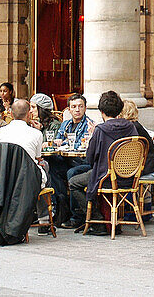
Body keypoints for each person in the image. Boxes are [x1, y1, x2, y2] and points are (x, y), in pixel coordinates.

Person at [65, 90, 154, 234]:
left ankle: (97, 220)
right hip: (130, 178)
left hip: (106, 177)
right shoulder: (131, 127)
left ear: (101, 111)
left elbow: (90, 159)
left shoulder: (101, 130)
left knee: (73, 182)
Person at [0, 98, 53, 234]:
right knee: (44, 166)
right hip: (26, 179)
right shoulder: (36, 134)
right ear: (29, 115)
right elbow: (37, 158)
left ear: (11, 115)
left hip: (3, 177)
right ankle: (44, 218)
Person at [46, 93, 95, 226]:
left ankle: (76, 216)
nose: (77, 109)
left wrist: (62, 143)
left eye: (80, 106)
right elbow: (59, 140)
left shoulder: (89, 125)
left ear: (85, 108)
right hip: (68, 160)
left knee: (71, 173)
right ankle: (61, 205)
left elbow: (82, 145)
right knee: (52, 166)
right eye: (74, 107)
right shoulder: (66, 124)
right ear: (69, 109)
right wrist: (55, 143)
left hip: (84, 163)